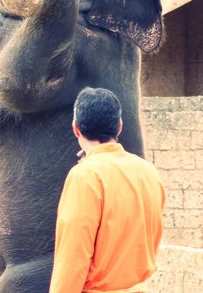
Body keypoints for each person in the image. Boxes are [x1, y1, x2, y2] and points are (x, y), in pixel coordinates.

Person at [50, 87, 165, 293]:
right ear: (119, 127)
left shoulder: (85, 176)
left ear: (76, 128)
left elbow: (73, 257)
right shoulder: (149, 172)